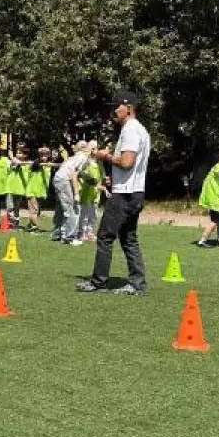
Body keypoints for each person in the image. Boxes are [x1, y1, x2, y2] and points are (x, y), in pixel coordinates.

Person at [77, 91, 151, 296]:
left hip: (124, 195)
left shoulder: (130, 130)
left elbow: (127, 162)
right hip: (135, 192)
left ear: (128, 108)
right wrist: (113, 177)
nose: (113, 111)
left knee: (105, 236)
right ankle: (137, 283)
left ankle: (98, 281)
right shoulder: (141, 130)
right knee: (129, 238)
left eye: (116, 106)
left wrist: (105, 156)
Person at [51, 141, 92, 245]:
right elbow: (73, 175)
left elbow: (74, 173)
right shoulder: (84, 157)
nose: (95, 151)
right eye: (93, 148)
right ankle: (69, 237)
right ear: (85, 148)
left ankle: (58, 234)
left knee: (61, 208)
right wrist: (76, 193)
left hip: (59, 178)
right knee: (73, 208)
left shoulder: (75, 156)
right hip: (64, 180)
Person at [77, 145, 105, 242]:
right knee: (84, 214)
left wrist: (105, 183)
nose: (95, 150)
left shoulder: (100, 164)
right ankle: (82, 233)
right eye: (92, 148)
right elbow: (79, 174)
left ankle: (90, 233)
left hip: (96, 193)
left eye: (96, 148)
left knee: (93, 215)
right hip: (86, 192)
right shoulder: (86, 163)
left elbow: (102, 178)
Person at [23, 147, 55, 232]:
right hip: (32, 191)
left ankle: (30, 225)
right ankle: (35, 226)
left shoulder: (48, 165)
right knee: (34, 210)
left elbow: (48, 176)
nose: (43, 157)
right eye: (42, 155)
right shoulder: (34, 165)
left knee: (37, 210)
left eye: (45, 155)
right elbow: (27, 172)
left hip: (41, 192)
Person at [5, 147, 30, 229]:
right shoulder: (12, 162)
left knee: (16, 208)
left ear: (25, 155)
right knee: (10, 207)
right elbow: (12, 164)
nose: (18, 154)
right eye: (17, 153)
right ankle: (11, 223)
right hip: (10, 188)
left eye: (20, 153)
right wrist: (12, 159)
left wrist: (12, 157)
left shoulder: (26, 164)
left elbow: (19, 163)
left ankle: (16, 223)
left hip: (20, 189)